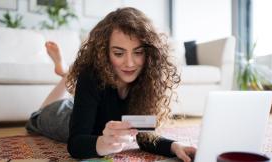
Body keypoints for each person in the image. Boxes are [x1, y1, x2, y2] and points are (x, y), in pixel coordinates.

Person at [26, 7, 196, 162]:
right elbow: (76, 143)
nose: (130, 63)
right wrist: (102, 143)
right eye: (118, 53)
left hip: (85, 106)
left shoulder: (146, 79)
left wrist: (174, 146)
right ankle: (67, 75)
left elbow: (144, 136)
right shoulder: (91, 75)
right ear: (104, 53)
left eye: (138, 52)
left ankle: (67, 74)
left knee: (76, 103)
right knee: (37, 116)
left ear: (149, 53)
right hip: (64, 116)